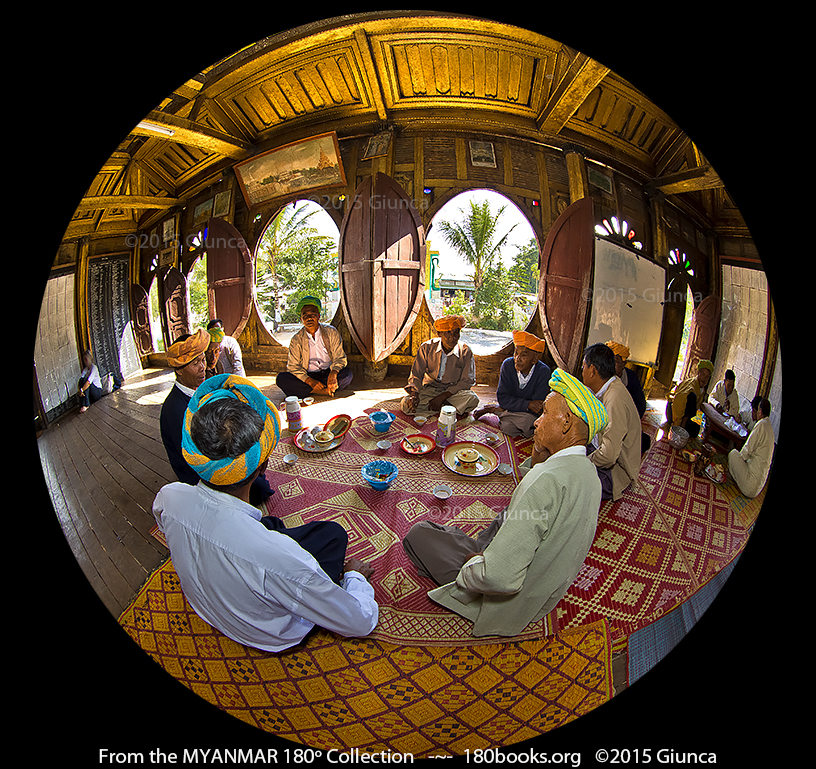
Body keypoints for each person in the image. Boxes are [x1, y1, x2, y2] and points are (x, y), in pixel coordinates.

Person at [153, 373, 378, 652]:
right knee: (333, 535)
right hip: (269, 634)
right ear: (263, 465)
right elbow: (360, 621)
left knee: (271, 523)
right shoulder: (279, 558)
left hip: (205, 601)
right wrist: (355, 577)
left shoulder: (169, 497)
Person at [402, 368, 607, 638]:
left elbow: (500, 579)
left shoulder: (545, 482)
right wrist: (540, 447)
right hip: (544, 592)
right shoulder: (589, 473)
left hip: (507, 599)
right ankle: (478, 549)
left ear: (567, 422)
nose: (537, 422)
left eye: (545, 413)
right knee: (500, 519)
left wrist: (472, 567)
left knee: (419, 533)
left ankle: (470, 561)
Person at [159, 329, 274, 506]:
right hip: (199, 474)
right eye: (195, 363)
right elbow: (192, 460)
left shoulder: (203, 391)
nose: (202, 367)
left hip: (216, 450)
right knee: (258, 487)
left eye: (202, 360)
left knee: (255, 471)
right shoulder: (176, 409)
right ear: (179, 371)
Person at [581, 343, 642, 500]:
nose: (582, 372)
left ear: (593, 371)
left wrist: (582, 462)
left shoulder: (615, 398)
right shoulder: (607, 386)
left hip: (613, 473)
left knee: (569, 483)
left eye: (583, 368)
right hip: (598, 449)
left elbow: (608, 457)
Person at [472, 330, 551, 437]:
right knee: (511, 428)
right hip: (519, 411)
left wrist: (514, 405)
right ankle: (499, 410)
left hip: (525, 415)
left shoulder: (543, 372)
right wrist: (527, 404)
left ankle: (496, 410)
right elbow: (503, 398)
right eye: (516, 353)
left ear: (535, 359)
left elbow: (537, 408)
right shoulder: (508, 365)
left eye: (524, 355)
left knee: (523, 423)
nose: (517, 359)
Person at [400, 315, 479, 417]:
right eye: (448, 333)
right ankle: (447, 409)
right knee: (405, 404)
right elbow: (416, 374)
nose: (452, 338)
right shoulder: (426, 348)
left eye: (456, 333)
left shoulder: (465, 351)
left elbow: (467, 381)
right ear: (439, 334)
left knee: (472, 399)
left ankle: (436, 406)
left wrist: (443, 397)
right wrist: (414, 395)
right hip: (429, 390)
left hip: (452, 393)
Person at [276, 296, 353, 398]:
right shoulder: (296, 339)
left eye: (312, 314)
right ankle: (323, 391)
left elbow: (340, 358)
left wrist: (334, 373)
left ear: (318, 316)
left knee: (347, 375)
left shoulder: (331, 332)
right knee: (282, 379)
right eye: (305, 315)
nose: (309, 318)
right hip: (308, 375)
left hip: (328, 373)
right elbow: (292, 366)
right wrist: (310, 381)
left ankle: (313, 391)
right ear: (301, 319)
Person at [727, 397, 774, 498]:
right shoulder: (769, 427)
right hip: (758, 489)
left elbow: (746, 451)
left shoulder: (761, 424)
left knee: (733, 453)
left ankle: (732, 475)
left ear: (760, 411)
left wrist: (736, 464)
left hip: (749, 486)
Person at [666, 359, 714, 439]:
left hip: (681, 415)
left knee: (696, 430)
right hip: (673, 413)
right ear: (698, 373)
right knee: (692, 397)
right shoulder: (691, 386)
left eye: (707, 377)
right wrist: (678, 426)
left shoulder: (701, 388)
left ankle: (683, 426)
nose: (704, 379)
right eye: (703, 374)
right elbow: (678, 403)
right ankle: (682, 427)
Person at [605, 341, 647, 419]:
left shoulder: (631, 378)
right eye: (609, 362)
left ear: (624, 364)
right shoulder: (602, 375)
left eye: (616, 362)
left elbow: (640, 405)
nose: (611, 365)